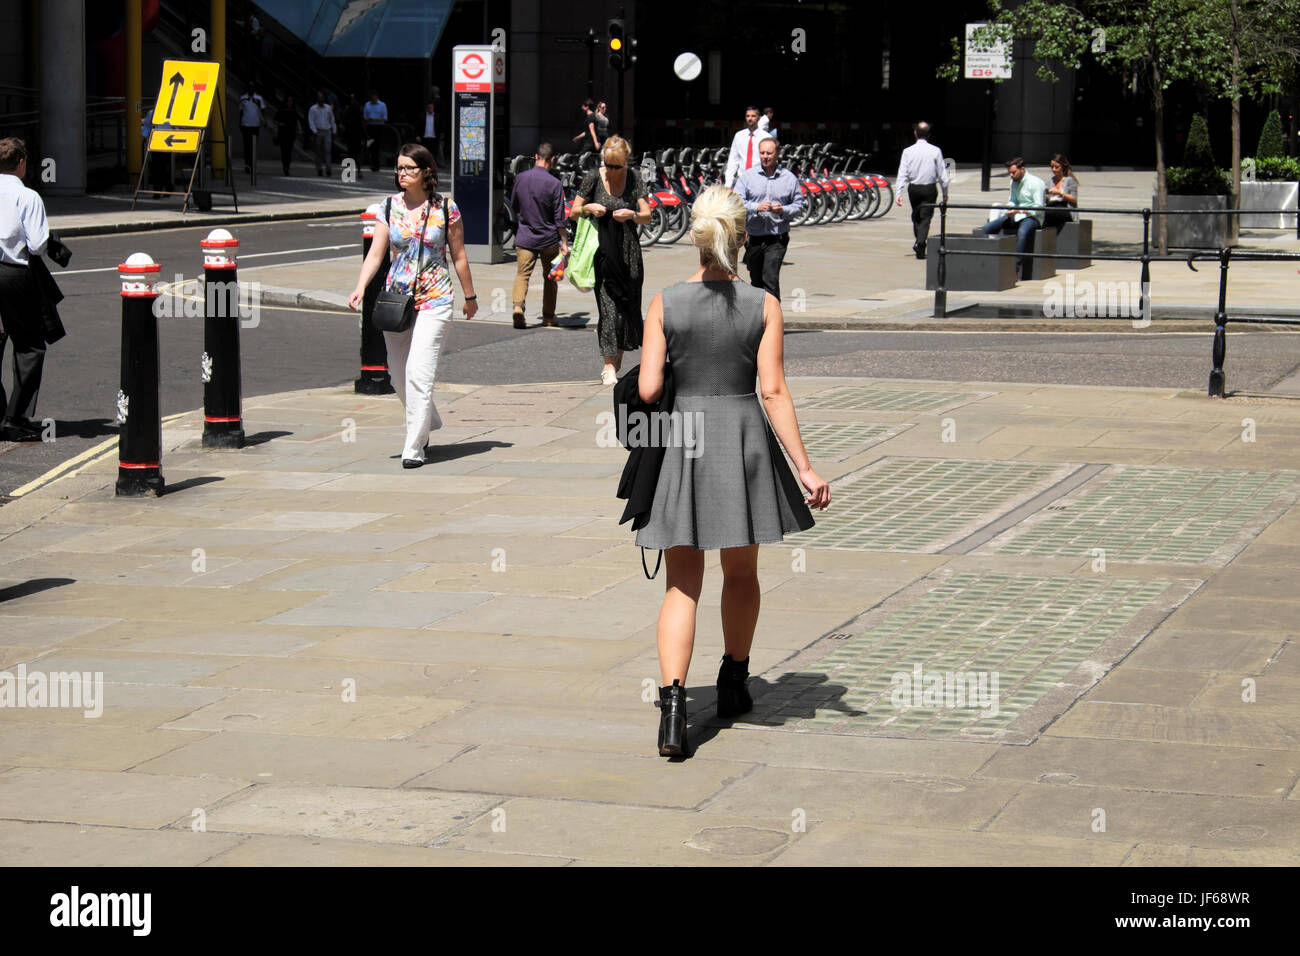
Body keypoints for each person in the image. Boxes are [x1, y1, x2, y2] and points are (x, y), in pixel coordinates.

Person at [635, 184, 831, 757]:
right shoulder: (764, 304)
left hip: (684, 445)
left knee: (681, 584)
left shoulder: (665, 302)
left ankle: (673, 709)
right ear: (743, 239)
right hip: (744, 444)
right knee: (740, 574)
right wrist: (806, 468)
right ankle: (733, 682)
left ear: (693, 239)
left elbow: (648, 388)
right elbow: (772, 391)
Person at [347, 144, 478, 468]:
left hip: (436, 299)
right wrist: (360, 287)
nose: (401, 173)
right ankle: (427, 417)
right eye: (399, 168)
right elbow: (376, 253)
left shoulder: (446, 208)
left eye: (409, 168)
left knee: (419, 373)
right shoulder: (388, 207)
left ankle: (414, 447)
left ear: (426, 172)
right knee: (398, 377)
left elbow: (459, 256)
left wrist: (470, 296)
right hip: (398, 300)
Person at [570, 135, 651, 386]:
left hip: (629, 252)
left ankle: (616, 358)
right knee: (607, 308)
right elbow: (574, 211)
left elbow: (647, 215)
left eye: (618, 166)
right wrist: (589, 208)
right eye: (609, 165)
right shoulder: (594, 177)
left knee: (627, 308)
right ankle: (607, 365)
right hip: (602, 251)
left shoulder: (635, 178)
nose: (613, 171)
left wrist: (632, 215)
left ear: (626, 162)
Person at [0, 138, 50, 441]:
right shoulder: (28, 196)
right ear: (21, 163)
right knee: (29, 346)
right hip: (13, 273)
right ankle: (15, 418)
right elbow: (37, 244)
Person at [510, 142, 569, 329]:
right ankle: (549, 316)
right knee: (550, 278)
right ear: (552, 160)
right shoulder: (555, 184)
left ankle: (518, 307)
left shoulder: (520, 178)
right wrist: (564, 242)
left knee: (522, 275)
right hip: (548, 239)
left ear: (536, 157)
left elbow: (514, 205)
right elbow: (559, 217)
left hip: (525, 236)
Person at [736, 137, 802, 301]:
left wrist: (783, 210)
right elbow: (736, 202)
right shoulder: (748, 176)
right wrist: (755, 207)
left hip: (777, 238)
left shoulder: (789, 178)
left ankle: (773, 320)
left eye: (769, 153)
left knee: (770, 278)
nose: (765, 156)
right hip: (754, 237)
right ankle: (759, 320)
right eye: (762, 153)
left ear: (778, 153)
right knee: (756, 280)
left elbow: (799, 206)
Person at [981, 157, 1046, 279]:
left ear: (1022, 169)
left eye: (1013, 172)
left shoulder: (1036, 183)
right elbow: (1012, 201)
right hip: (1016, 215)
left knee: (1022, 232)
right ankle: (983, 261)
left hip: (1032, 217)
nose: (1011, 175)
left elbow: (1038, 208)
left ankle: (1015, 268)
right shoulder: (1013, 181)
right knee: (987, 228)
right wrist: (1009, 209)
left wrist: (1019, 210)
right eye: (1009, 172)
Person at [894, 121, 949, 260]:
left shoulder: (908, 151)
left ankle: (920, 243)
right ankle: (920, 243)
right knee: (925, 217)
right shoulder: (935, 151)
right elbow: (943, 175)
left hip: (914, 188)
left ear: (915, 134)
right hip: (930, 188)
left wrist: (898, 192)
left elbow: (902, 173)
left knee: (917, 216)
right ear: (929, 135)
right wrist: (945, 193)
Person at [724, 106, 774, 188]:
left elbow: (771, 163)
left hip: (760, 180)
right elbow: (733, 160)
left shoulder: (766, 137)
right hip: (742, 181)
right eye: (748, 116)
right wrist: (728, 183)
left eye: (753, 116)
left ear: (759, 118)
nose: (750, 119)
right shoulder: (739, 136)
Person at [1044, 154, 1079, 232]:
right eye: (1052, 167)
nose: (1054, 169)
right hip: (1051, 207)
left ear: (1063, 167)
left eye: (1056, 167)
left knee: (1050, 213)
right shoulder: (1050, 181)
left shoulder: (1069, 180)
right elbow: (1046, 199)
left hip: (1064, 208)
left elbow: (1074, 199)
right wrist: (1046, 196)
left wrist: (1060, 193)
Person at [307, 91, 336, 177]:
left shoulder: (328, 108)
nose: (321, 99)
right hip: (318, 131)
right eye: (319, 98)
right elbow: (311, 120)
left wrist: (334, 129)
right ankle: (319, 168)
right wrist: (314, 131)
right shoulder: (313, 109)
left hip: (327, 130)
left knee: (327, 151)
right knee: (318, 152)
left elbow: (332, 119)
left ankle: (328, 168)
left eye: (322, 98)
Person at [238, 87, 267, 174]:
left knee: (253, 145)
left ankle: (252, 163)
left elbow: (262, 109)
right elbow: (241, 111)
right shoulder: (243, 98)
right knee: (246, 145)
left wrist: (264, 121)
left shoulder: (258, 98)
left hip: (255, 125)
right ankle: (247, 164)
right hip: (245, 124)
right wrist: (240, 122)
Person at [274, 95, 302, 176]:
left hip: (291, 132)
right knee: (284, 150)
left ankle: (287, 166)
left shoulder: (293, 110)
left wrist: (299, 129)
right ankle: (285, 166)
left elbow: (297, 120)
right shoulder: (281, 110)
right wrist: (277, 130)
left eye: (291, 101)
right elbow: (275, 121)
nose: (290, 103)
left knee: (289, 151)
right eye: (288, 101)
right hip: (283, 132)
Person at [363, 90, 388, 172]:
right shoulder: (367, 104)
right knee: (370, 145)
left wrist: (374, 119)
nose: (373, 99)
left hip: (379, 126)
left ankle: (376, 165)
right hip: (370, 126)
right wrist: (368, 120)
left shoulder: (382, 105)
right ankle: (372, 163)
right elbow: (364, 117)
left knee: (377, 145)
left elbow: (385, 118)